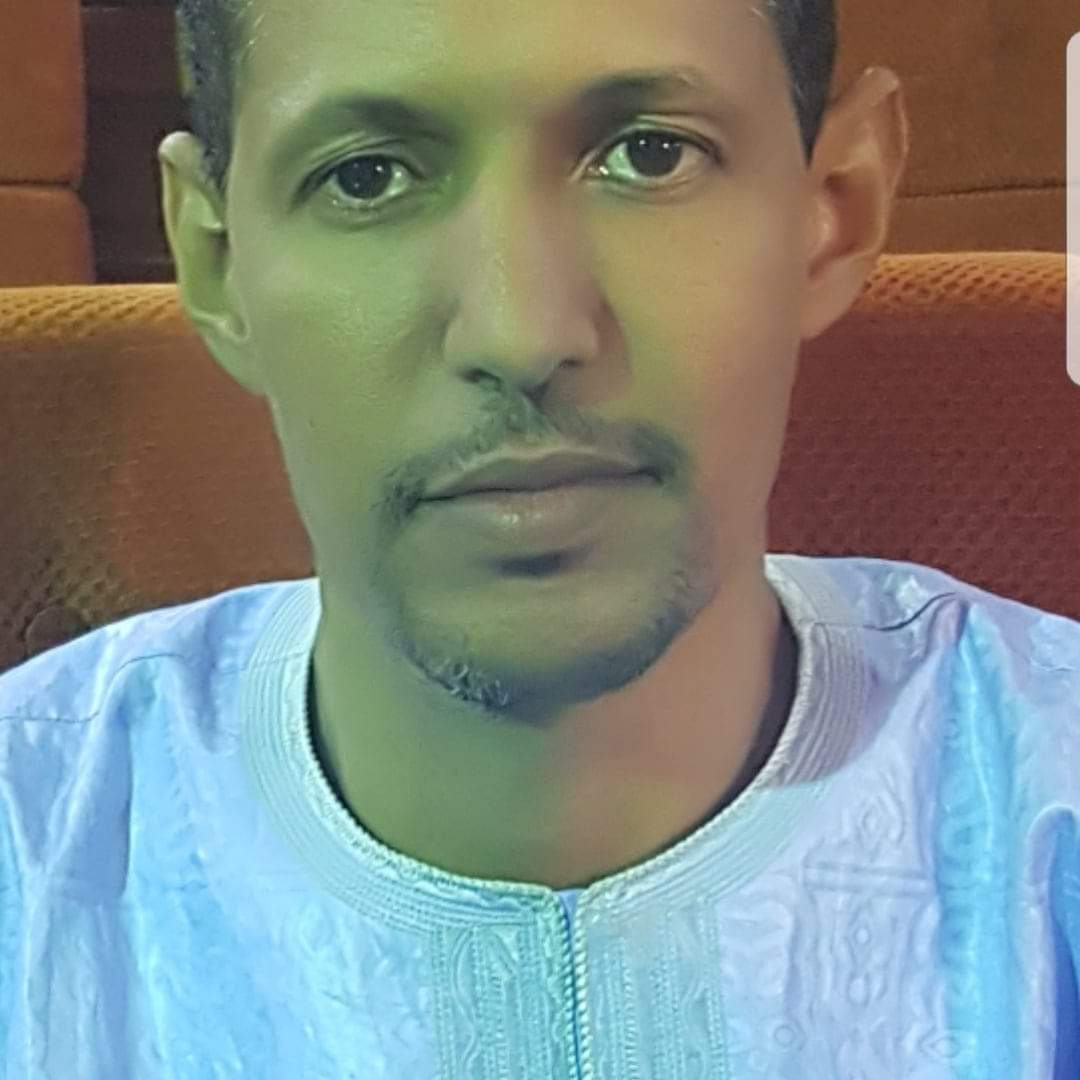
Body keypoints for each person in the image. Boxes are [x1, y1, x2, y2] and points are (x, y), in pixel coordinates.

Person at [0, 0, 1077, 1075]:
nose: (521, 333)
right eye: (367, 176)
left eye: (651, 155)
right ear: (216, 256)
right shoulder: (28, 831)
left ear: (833, 209)